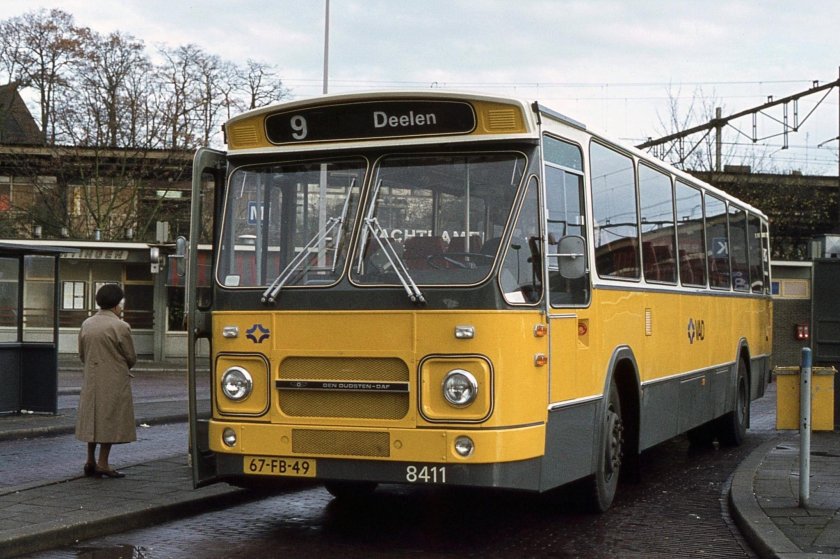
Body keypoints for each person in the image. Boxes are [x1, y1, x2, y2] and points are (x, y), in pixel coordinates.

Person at [75, 283, 137, 478]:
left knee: (92, 419)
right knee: (109, 419)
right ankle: (103, 463)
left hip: (91, 378)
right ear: (116, 304)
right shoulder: (120, 326)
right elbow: (131, 357)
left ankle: (90, 460)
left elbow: (82, 353)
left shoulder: (87, 323)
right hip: (114, 379)